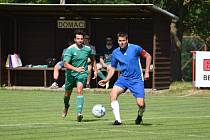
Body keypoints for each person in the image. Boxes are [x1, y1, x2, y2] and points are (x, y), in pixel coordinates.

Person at [98, 32, 152, 125]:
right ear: (118, 41)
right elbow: (113, 68)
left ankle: (140, 115)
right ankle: (118, 120)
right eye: (120, 41)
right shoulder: (115, 52)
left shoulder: (135, 48)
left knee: (141, 104)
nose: (121, 42)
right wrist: (106, 79)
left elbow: (148, 56)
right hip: (124, 78)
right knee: (113, 94)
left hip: (136, 79)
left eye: (123, 40)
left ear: (127, 40)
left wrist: (147, 72)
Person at [62, 30, 97, 122]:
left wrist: (95, 70)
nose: (80, 40)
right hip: (70, 75)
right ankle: (66, 106)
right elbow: (65, 64)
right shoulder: (70, 49)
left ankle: (79, 113)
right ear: (74, 39)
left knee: (79, 90)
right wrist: (75, 69)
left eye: (82, 39)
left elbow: (93, 59)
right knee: (67, 95)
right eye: (78, 39)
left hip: (82, 73)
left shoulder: (88, 49)